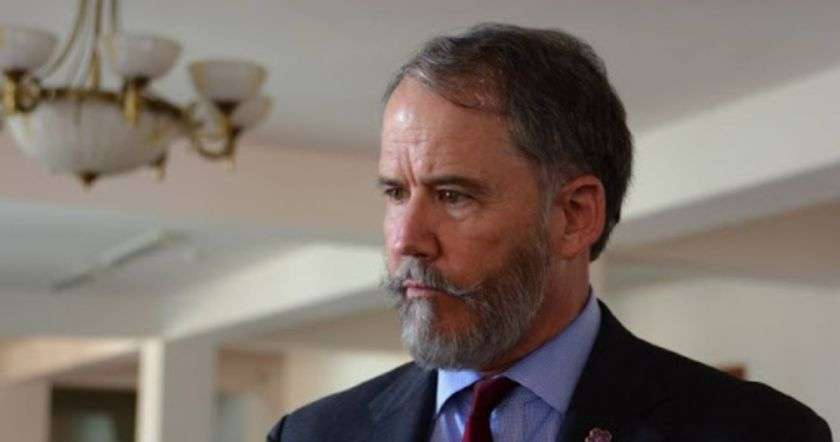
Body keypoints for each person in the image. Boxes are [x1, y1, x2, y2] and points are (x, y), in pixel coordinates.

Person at [267, 23, 831, 442]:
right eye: (395, 193)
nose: (406, 240)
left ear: (574, 215)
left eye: (454, 196)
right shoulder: (312, 435)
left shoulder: (757, 431)